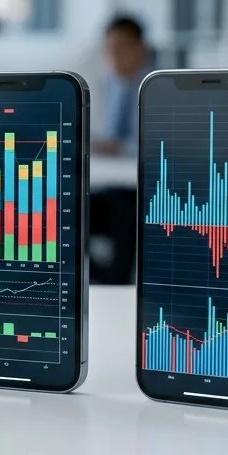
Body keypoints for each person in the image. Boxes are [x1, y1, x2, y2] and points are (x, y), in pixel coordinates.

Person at [89, 15, 151, 284]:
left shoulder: (156, 85)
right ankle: (97, 280)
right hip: (111, 184)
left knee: (124, 213)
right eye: (109, 50)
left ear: (141, 48)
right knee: (60, 215)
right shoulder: (109, 85)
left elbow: (157, 142)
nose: (114, 56)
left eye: (121, 48)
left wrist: (118, 147)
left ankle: (116, 283)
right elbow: (106, 135)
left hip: (143, 191)